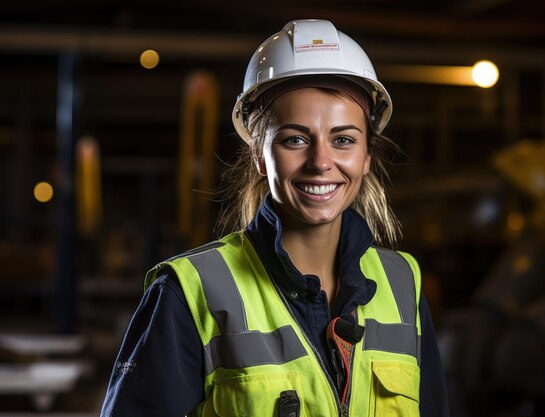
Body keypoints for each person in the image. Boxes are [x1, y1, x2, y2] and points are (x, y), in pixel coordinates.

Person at [101, 19, 449, 417]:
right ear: (258, 155)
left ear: (366, 157)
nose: (321, 162)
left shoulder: (403, 284)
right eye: (295, 139)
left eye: (344, 140)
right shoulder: (190, 291)